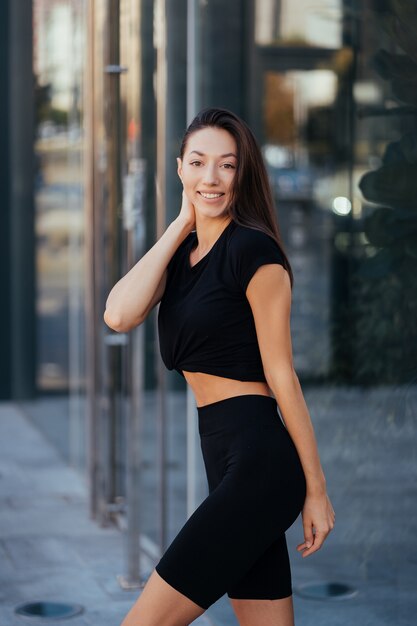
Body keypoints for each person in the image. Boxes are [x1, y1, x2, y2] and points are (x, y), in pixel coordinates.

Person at [104, 107, 335, 626]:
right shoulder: (181, 256)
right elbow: (118, 314)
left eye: (227, 166)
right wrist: (181, 223)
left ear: (242, 173)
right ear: (180, 167)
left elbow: (282, 376)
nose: (211, 178)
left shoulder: (254, 253)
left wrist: (315, 490)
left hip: (260, 464)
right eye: (199, 162)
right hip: (224, 456)